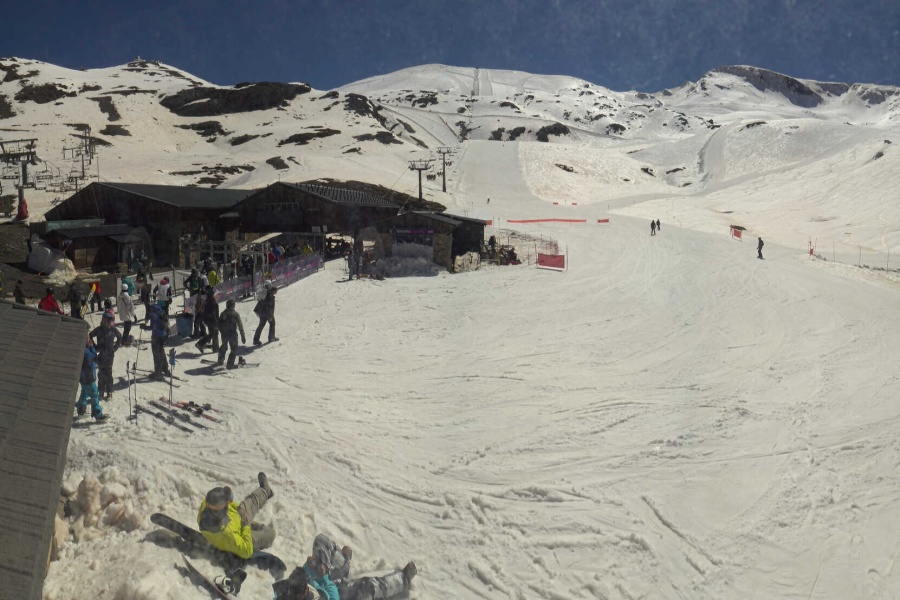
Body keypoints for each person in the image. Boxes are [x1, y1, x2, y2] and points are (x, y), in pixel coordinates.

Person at [279, 533, 416, 600]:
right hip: (340, 594)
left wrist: (311, 565)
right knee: (367, 586)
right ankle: (402, 579)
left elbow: (305, 575)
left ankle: (343, 562)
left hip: (327, 579)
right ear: (304, 592)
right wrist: (325, 578)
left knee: (321, 541)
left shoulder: (284, 593)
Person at [197, 473, 275, 559]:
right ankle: (257, 528)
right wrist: (246, 525)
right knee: (270, 533)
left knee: (249, 504)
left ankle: (265, 491)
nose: (229, 502)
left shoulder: (206, 505)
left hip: (235, 519)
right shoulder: (229, 535)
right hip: (241, 535)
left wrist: (239, 509)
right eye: (227, 502)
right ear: (221, 507)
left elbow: (227, 504)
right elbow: (246, 551)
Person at [90, 312, 121, 400]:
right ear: (104, 321)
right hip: (101, 355)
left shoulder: (113, 329)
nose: (109, 323)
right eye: (108, 321)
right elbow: (90, 336)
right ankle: (101, 391)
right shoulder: (99, 330)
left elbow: (119, 337)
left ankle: (109, 391)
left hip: (110, 356)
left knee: (109, 374)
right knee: (101, 374)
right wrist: (95, 347)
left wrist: (115, 347)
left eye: (111, 321)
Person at [76, 336, 108, 421]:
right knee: (94, 394)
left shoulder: (84, 348)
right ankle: (98, 414)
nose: (89, 340)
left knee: (84, 394)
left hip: (84, 377)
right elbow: (92, 357)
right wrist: (91, 347)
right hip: (88, 377)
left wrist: (91, 347)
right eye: (87, 338)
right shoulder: (84, 350)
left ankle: (81, 412)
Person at [217, 299, 246, 368]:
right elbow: (240, 325)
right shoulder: (235, 314)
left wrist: (221, 331)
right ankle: (230, 363)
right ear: (233, 306)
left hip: (224, 334)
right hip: (232, 334)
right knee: (234, 349)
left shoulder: (223, 314)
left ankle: (220, 359)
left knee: (224, 346)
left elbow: (219, 324)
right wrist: (242, 335)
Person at [148, 301, 171, 379]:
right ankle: (165, 369)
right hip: (164, 335)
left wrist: (144, 327)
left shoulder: (153, 314)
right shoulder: (162, 312)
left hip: (157, 336)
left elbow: (152, 327)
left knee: (156, 354)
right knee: (161, 351)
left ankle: (158, 373)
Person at [196, 286, 220, 354]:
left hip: (207, 319)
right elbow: (214, 314)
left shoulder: (207, 301)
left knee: (213, 333)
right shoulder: (213, 303)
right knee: (213, 333)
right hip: (211, 320)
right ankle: (200, 344)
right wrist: (216, 321)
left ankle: (215, 348)